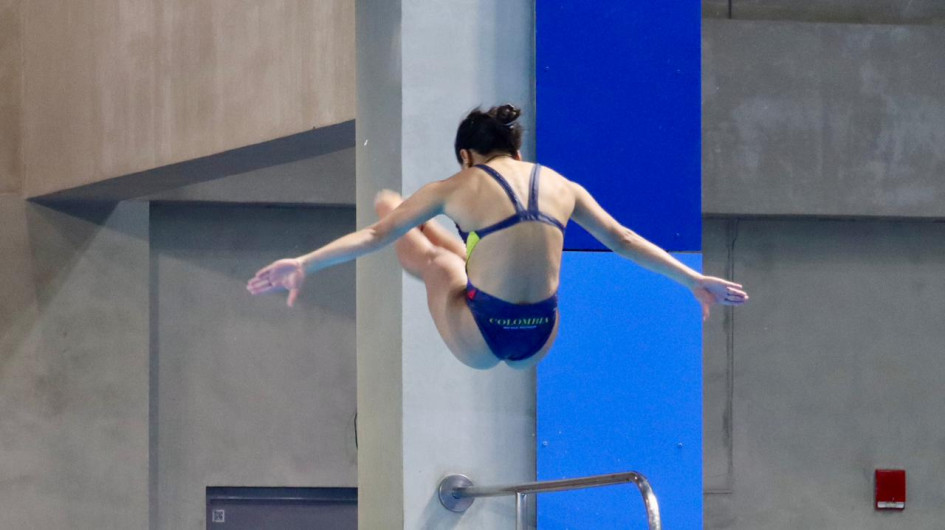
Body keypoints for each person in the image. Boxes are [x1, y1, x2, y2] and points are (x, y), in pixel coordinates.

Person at [247, 104, 748, 370]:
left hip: (482, 333)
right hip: (542, 333)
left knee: (434, 263)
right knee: (469, 256)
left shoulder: (456, 184)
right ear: (516, 146)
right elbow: (624, 239)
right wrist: (691, 279)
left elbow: (376, 236)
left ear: (466, 154)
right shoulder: (561, 184)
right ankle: (448, 243)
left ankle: (430, 235)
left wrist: (306, 263)